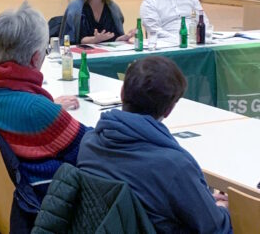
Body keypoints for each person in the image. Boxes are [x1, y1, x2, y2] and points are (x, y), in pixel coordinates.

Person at [77, 56, 231, 233]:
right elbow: (216, 228)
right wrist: (220, 208)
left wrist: (203, 200)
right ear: (169, 109)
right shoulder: (174, 166)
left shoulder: (89, 144)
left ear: (122, 93)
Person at [0, 1, 90, 201]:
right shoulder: (36, 110)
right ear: (35, 58)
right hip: (44, 206)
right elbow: (90, 146)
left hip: (9, 201)